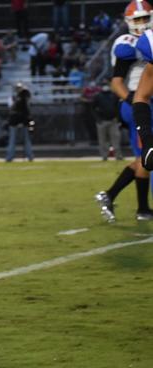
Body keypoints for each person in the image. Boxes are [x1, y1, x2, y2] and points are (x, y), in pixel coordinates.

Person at [97, 1, 153, 223]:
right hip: (138, 104)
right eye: (136, 19)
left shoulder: (148, 40)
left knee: (144, 159)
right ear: (129, 22)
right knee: (145, 157)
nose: (140, 24)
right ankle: (142, 209)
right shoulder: (127, 44)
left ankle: (110, 195)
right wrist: (130, 99)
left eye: (144, 18)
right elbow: (116, 82)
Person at [91, 84, 122, 161]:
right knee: (103, 140)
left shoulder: (114, 96)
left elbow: (118, 107)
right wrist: (98, 119)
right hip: (102, 121)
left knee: (115, 139)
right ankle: (104, 156)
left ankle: (118, 156)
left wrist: (118, 118)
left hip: (113, 121)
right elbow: (92, 109)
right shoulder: (97, 96)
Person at [5, 83, 34, 162]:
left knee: (25, 139)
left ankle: (29, 156)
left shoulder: (21, 98)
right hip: (17, 121)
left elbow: (25, 111)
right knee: (15, 140)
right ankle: (11, 157)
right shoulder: (18, 99)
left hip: (22, 121)